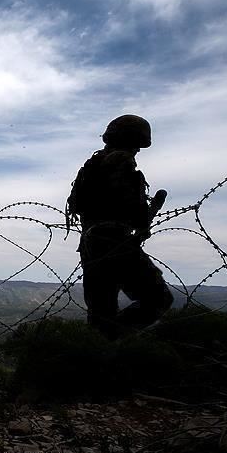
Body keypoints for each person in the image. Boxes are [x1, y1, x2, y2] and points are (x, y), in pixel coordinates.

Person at [67, 114, 174, 339]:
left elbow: (77, 205)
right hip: (115, 243)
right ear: (133, 141)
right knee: (158, 298)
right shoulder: (121, 162)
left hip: (90, 245)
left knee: (100, 312)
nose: (137, 151)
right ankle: (110, 340)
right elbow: (135, 213)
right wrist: (144, 221)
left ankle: (96, 348)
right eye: (137, 145)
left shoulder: (91, 165)